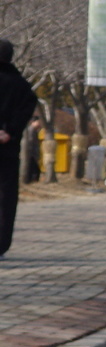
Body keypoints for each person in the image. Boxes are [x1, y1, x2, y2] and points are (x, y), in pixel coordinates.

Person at [0, 39, 39, 257]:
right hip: (7, 147)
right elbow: (27, 107)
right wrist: (10, 131)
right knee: (5, 196)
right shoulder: (21, 85)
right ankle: (2, 242)